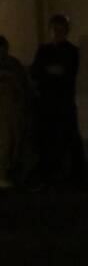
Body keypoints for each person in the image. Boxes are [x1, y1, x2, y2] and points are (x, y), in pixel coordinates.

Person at [30, 14, 84, 185]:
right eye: (54, 29)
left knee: (70, 135)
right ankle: (48, 171)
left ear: (65, 32)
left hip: (64, 100)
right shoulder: (44, 50)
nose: (56, 33)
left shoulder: (71, 51)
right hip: (47, 101)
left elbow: (67, 73)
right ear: (49, 31)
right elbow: (35, 72)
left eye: (60, 30)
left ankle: (76, 174)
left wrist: (48, 72)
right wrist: (50, 72)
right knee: (46, 135)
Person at [0, 35, 31, 188]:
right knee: (5, 142)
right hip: (4, 110)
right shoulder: (11, 65)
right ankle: (3, 174)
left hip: (15, 108)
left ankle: (13, 173)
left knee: (16, 141)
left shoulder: (14, 64)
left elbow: (23, 84)